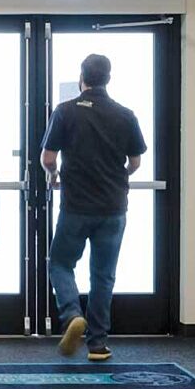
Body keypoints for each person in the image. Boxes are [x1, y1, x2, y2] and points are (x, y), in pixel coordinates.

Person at [41, 52, 148, 362]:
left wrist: (53, 174)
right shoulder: (125, 115)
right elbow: (135, 162)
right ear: (108, 79)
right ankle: (98, 345)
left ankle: (72, 314)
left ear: (82, 78)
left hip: (76, 206)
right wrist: (117, 177)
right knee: (103, 276)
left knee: (60, 264)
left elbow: (48, 158)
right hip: (113, 208)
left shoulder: (65, 111)